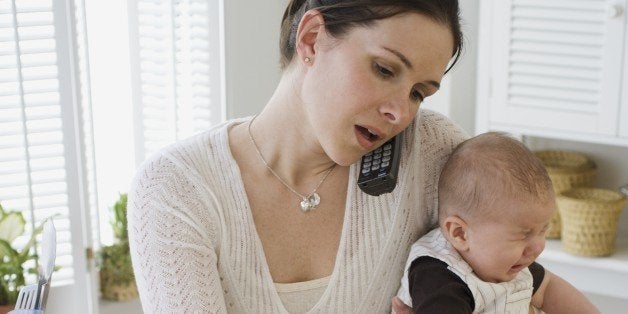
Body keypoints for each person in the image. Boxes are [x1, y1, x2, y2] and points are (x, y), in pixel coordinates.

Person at [128, 0, 471, 312]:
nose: (400, 113)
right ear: (311, 39)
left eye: (418, 93)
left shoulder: (432, 153)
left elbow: (517, 287)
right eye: (384, 69)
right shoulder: (175, 188)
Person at [395, 132, 600, 314]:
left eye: (543, 230)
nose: (538, 247)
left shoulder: (508, 265)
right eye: (523, 235)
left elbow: (548, 289)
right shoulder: (439, 279)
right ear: (460, 234)